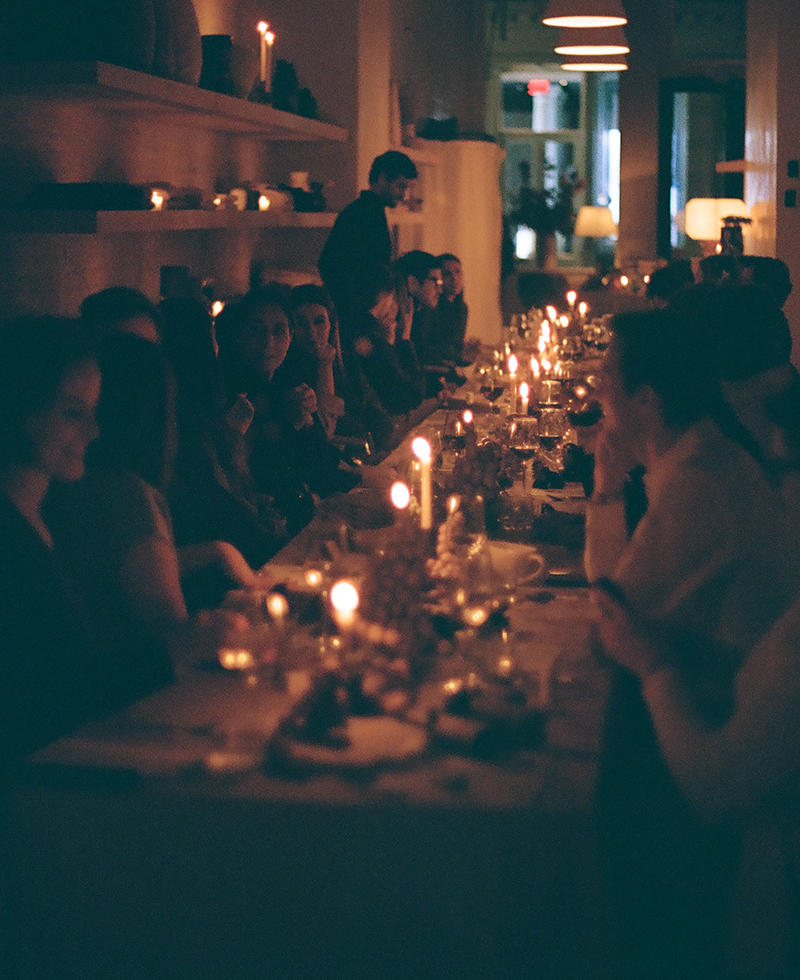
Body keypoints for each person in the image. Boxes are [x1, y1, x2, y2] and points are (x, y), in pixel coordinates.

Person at [586, 308, 800, 980]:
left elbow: (614, 619)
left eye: (606, 375)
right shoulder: (691, 458)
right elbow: (620, 605)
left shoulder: (699, 478)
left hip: (727, 774)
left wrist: (652, 660)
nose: (594, 386)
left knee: (573, 788)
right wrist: (605, 492)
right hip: (737, 708)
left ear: (647, 399)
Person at [0, 316, 168, 779]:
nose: (95, 431)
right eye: (73, 412)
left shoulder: (34, 515)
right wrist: (175, 650)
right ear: (16, 407)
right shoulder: (9, 540)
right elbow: (52, 701)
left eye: (94, 410)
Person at [215, 285, 359, 536]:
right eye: (256, 330)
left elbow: (319, 457)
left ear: (290, 336)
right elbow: (255, 475)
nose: (268, 342)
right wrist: (291, 423)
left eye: (278, 331)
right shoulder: (226, 392)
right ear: (239, 335)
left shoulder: (287, 383)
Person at [288, 283, 394, 453]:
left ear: (331, 324)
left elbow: (375, 411)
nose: (312, 332)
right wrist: (324, 367)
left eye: (319, 321)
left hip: (368, 456)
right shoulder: (288, 373)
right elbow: (324, 433)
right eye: (301, 323)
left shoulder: (347, 361)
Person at [318, 150, 417, 319]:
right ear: (382, 178)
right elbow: (330, 263)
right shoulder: (365, 214)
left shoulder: (365, 211)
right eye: (401, 186)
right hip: (360, 313)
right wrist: (358, 305)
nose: (404, 195)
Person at [340, 263, 426, 419]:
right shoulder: (370, 338)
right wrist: (405, 339)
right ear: (384, 296)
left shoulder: (350, 328)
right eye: (393, 297)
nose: (394, 305)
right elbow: (413, 394)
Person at [436, 252, 478, 365]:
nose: (454, 278)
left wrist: (470, 354)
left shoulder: (462, 308)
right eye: (447, 274)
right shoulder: (432, 307)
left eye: (457, 272)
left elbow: (457, 352)